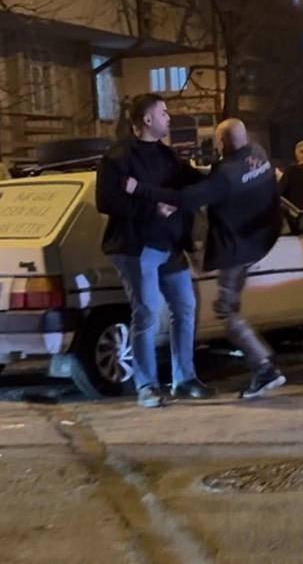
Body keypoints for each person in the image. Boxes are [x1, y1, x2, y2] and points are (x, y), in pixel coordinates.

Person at [126, 118, 287, 399]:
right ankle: (263, 362)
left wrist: (140, 188)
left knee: (226, 310)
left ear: (223, 142)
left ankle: (264, 367)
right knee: (230, 306)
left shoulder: (225, 177)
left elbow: (186, 198)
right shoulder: (258, 155)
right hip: (258, 242)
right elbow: (215, 180)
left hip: (237, 248)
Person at [96, 93, 213, 408]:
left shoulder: (166, 155)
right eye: (164, 113)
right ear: (147, 120)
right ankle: (147, 386)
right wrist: (152, 208)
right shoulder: (118, 158)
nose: (169, 118)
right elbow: (107, 201)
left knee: (185, 307)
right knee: (146, 314)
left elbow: (190, 180)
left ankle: (184, 379)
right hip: (138, 246)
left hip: (170, 245)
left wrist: (225, 173)